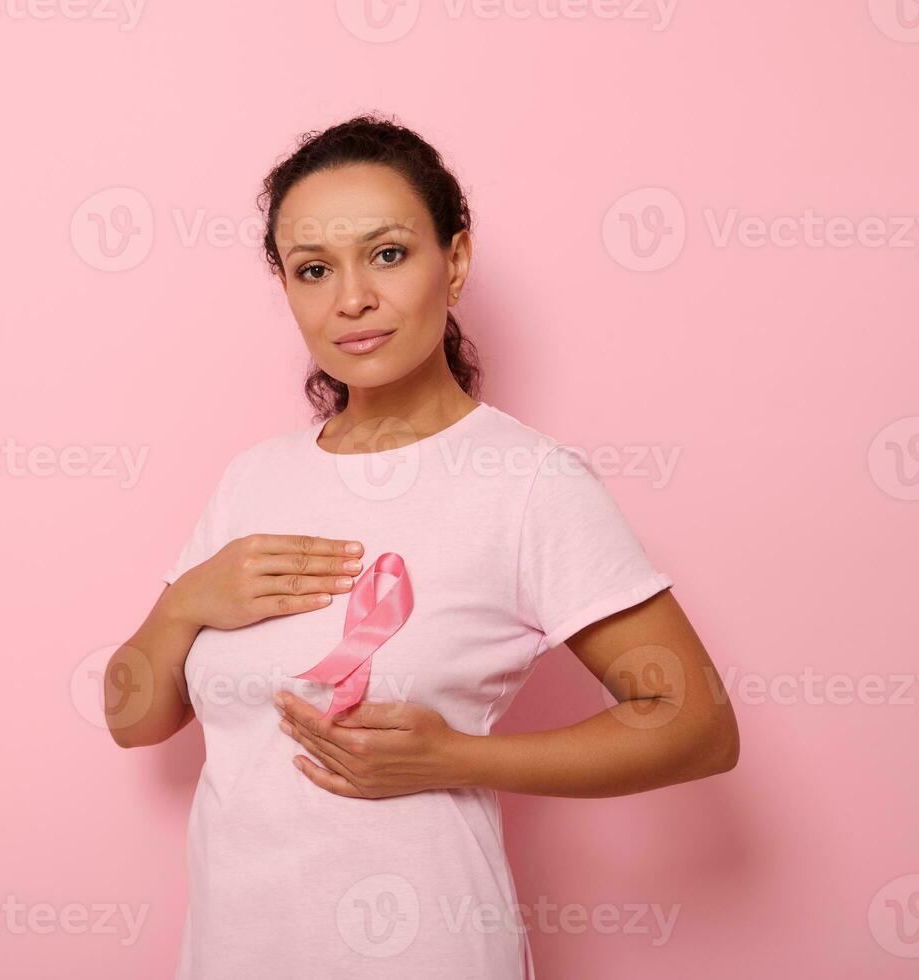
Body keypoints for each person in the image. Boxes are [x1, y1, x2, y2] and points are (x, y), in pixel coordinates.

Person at [105, 113, 740, 979]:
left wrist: (455, 758)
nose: (351, 299)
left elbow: (695, 726)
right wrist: (183, 603)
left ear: (457, 261)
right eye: (313, 270)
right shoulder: (252, 480)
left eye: (389, 253)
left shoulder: (526, 483)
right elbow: (133, 719)